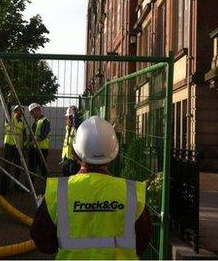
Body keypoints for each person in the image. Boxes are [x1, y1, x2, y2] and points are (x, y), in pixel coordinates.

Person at [30, 116, 152, 259]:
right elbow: (142, 242)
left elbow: (42, 241)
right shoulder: (131, 194)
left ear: (75, 154)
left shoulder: (58, 192)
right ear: (114, 154)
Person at [4, 105, 26, 188]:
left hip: (18, 147)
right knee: (7, 165)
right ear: (15, 111)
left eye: (23, 111)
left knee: (18, 166)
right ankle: (6, 184)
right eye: (20, 110)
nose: (22, 112)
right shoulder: (10, 119)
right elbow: (7, 112)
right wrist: (8, 103)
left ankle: (16, 185)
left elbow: (24, 136)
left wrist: (24, 147)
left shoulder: (22, 123)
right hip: (9, 145)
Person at [28, 102, 50, 178]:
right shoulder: (35, 122)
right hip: (34, 149)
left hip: (42, 150)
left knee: (43, 170)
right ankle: (30, 187)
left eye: (32, 112)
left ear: (38, 110)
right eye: (30, 113)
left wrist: (34, 142)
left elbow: (44, 134)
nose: (31, 114)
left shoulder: (45, 121)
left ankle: (47, 187)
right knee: (31, 169)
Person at [60, 106, 80, 177]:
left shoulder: (77, 129)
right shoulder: (67, 128)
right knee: (64, 177)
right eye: (68, 117)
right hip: (65, 157)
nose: (68, 119)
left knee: (72, 177)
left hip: (74, 159)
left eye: (70, 117)